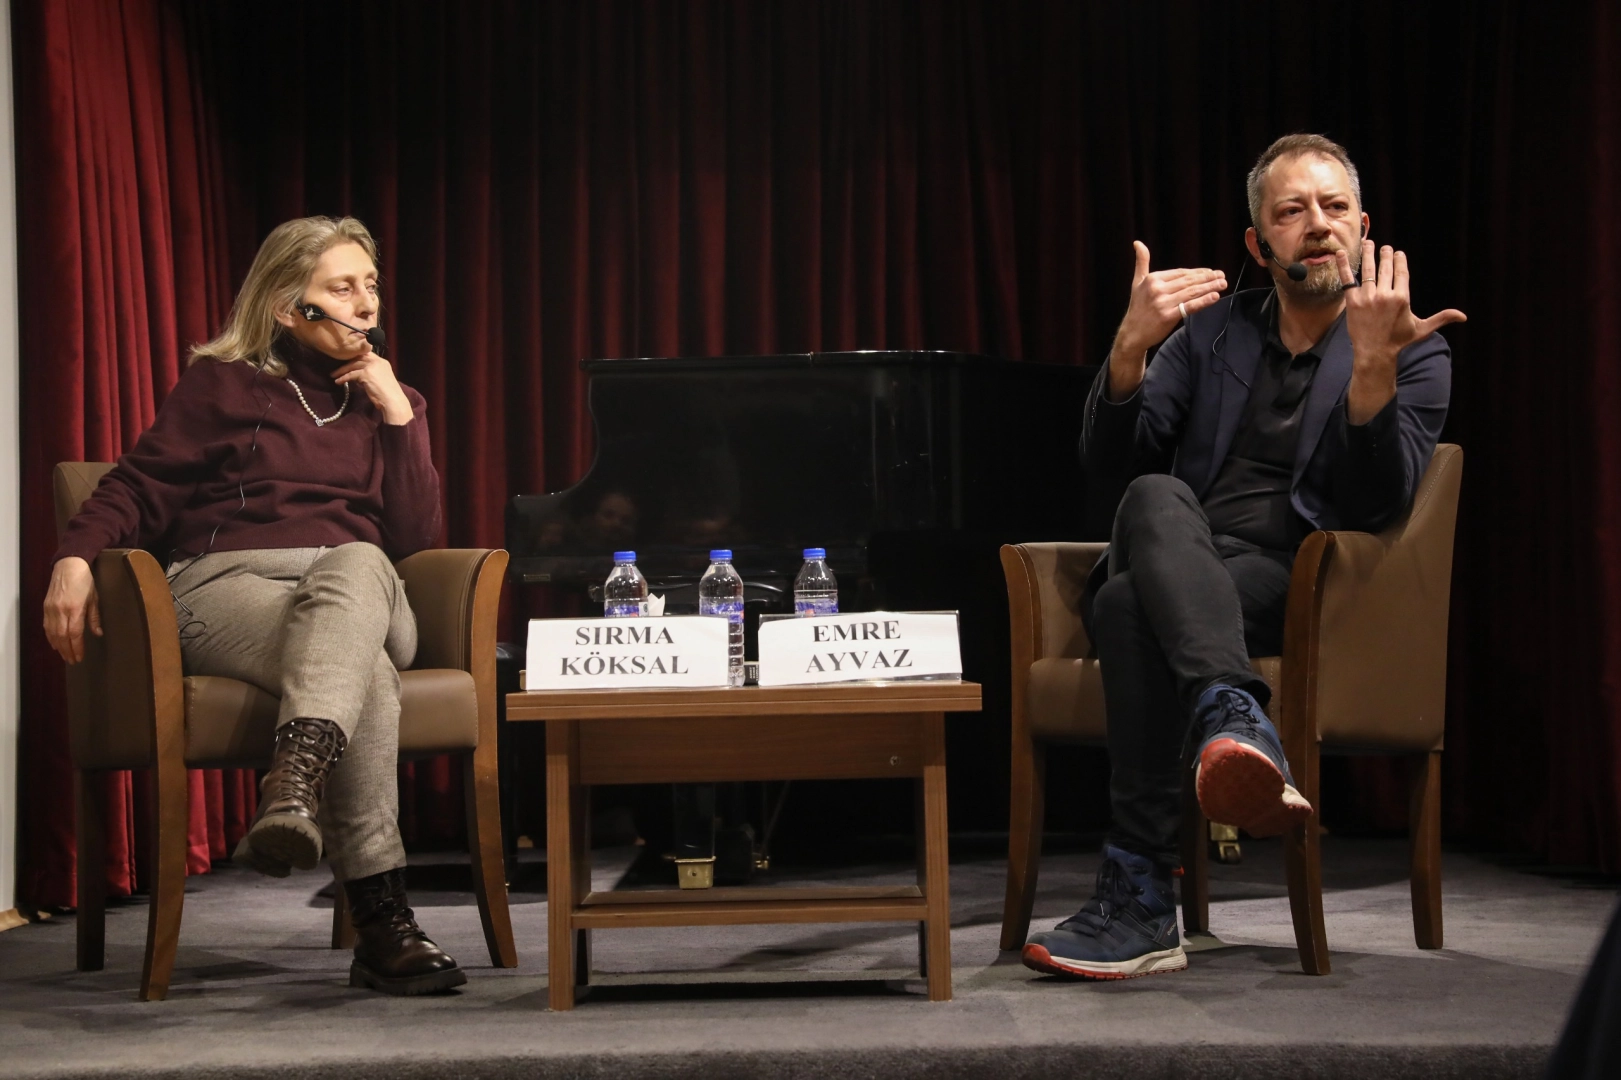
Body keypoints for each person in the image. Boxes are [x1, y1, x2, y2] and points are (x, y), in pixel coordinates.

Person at [1022, 134, 1464, 980]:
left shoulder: (1415, 346)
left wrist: (1373, 370)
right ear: (1259, 246)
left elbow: (1377, 506)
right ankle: (1231, 712)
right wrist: (1128, 349)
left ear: (1363, 229)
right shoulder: (1209, 334)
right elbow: (1111, 465)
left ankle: (1140, 899)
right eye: (1291, 211)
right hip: (1185, 552)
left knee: (1122, 605)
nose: (1318, 225)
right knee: (1152, 495)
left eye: (1334, 207)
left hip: (1296, 580)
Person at [43, 216, 466, 995]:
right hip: (229, 589)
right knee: (366, 675)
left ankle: (293, 780)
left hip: (365, 591)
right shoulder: (227, 385)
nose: (365, 303)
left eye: (370, 285)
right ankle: (384, 926)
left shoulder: (392, 402)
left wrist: (398, 417)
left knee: (360, 559)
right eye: (341, 288)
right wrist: (74, 556)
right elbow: (138, 485)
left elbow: (413, 536)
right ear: (288, 307)